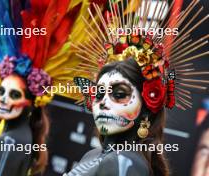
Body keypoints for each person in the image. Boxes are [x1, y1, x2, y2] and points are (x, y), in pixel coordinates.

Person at [0, 0, 91, 175]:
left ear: (30, 101)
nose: (4, 99)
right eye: (2, 91)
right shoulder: (14, 135)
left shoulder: (13, 141)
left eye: (14, 94)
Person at [64, 0, 209, 175]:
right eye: (99, 94)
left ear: (146, 106)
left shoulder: (123, 162)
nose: (103, 103)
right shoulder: (95, 155)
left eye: (119, 94)